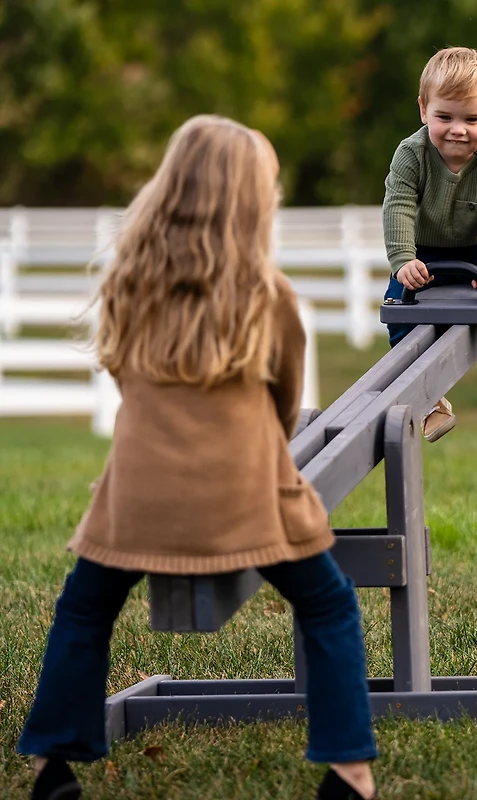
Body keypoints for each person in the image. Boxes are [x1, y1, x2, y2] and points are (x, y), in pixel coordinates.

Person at [17, 115, 378, 800]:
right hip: (243, 494)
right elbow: (284, 399)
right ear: (251, 202)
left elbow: (123, 376)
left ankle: (52, 767)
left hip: (139, 497)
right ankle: (348, 772)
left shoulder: (129, 282)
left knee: (85, 610)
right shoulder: (268, 296)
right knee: (327, 604)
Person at [382, 46, 477, 443]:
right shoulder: (410, 155)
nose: (457, 129)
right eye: (444, 117)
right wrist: (403, 259)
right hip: (426, 249)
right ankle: (427, 397)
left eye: (472, 119)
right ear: (423, 110)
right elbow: (397, 204)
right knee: (399, 301)